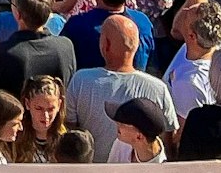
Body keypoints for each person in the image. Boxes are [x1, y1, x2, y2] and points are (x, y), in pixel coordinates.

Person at [64, 15, 176, 162]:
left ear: (106, 45)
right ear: (136, 46)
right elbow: (168, 140)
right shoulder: (159, 88)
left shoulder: (81, 80)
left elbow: (69, 131)